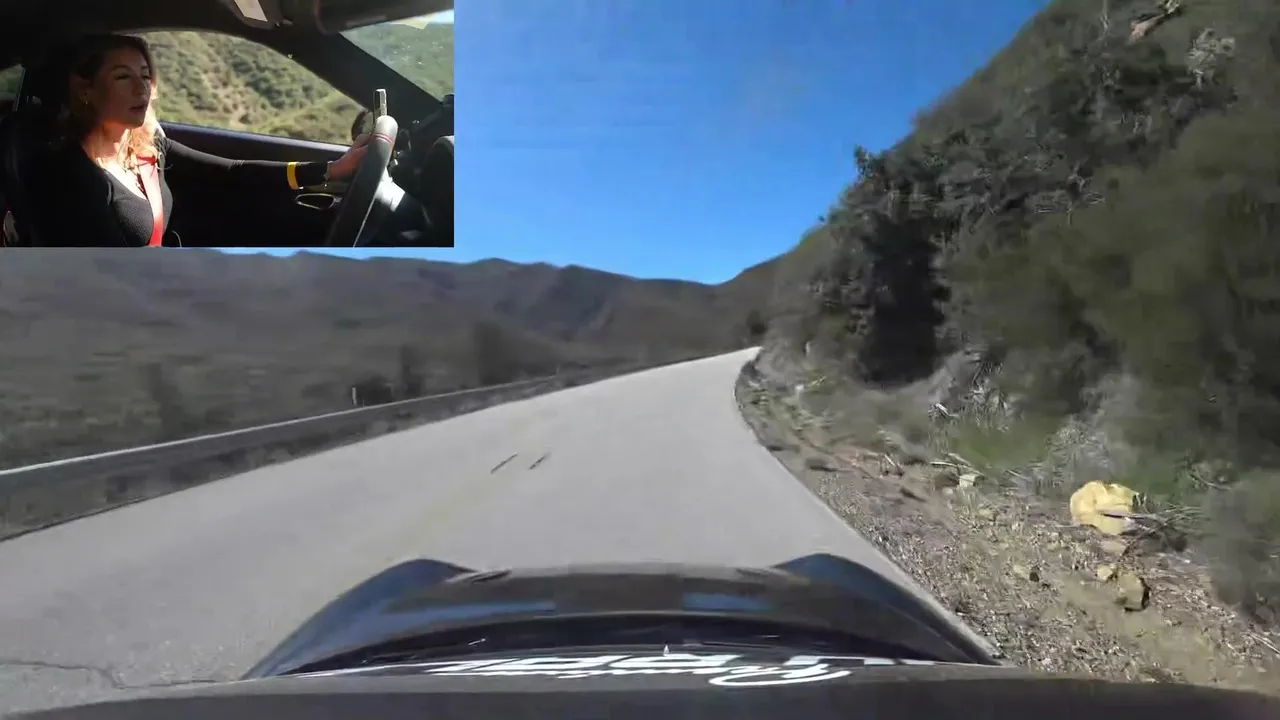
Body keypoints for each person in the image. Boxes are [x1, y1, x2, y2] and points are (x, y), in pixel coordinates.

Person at [26, 33, 369, 246]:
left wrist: (330, 170)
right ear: (85, 90)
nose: (141, 88)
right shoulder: (72, 176)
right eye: (122, 77)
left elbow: (232, 172)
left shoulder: (147, 148)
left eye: (145, 76)